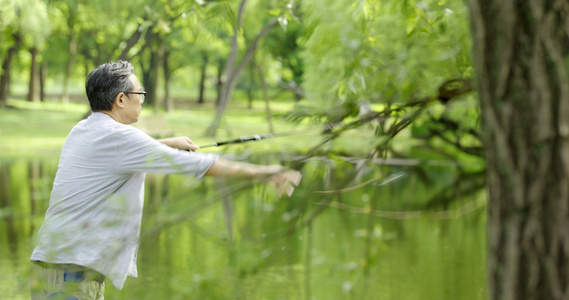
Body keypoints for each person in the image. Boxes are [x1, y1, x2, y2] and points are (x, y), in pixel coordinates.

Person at [29, 60, 302, 300]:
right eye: (140, 93)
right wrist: (265, 172)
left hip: (61, 269)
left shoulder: (84, 129)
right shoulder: (122, 137)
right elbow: (198, 165)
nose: (143, 99)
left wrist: (162, 144)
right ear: (121, 99)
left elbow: (115, 158)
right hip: (70, 275)